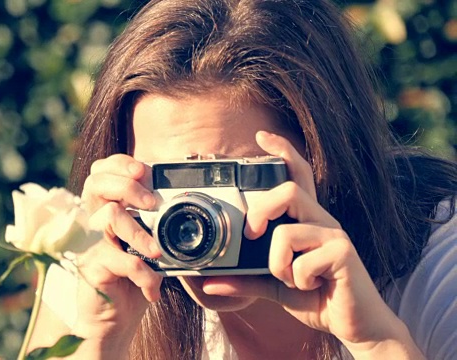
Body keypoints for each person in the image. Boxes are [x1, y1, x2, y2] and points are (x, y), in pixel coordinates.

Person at [29, 0, 457, 358]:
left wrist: (376, 342)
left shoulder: (442, 269)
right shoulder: (100, 258)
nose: (196, 216)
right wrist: (94, 339)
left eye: (235, 176)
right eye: (165, 181)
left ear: (329, 155)